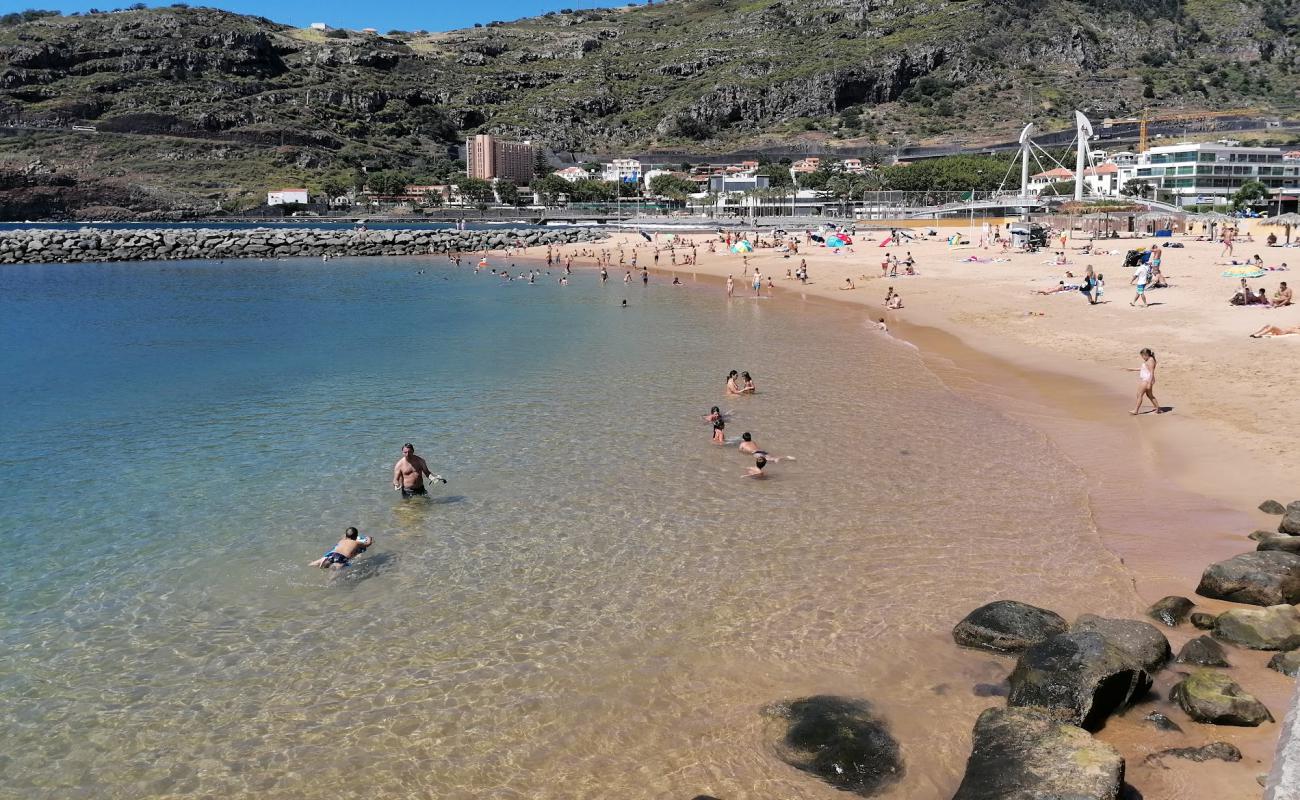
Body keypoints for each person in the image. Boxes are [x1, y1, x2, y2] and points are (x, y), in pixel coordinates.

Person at [308, 527, 373, 570]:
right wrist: (369, 538)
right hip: (341, 558)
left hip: (332, 554)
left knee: (316, 563)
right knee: (332, 577)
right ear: (356, 536)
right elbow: (368, 544)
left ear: (346, 536)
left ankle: (310, 564)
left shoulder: (341, 540)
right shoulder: (356, 543)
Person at [1128, 348, 1163, 415]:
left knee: (1139, 394)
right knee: (1150, 395)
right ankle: (1158, 409)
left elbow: (1151, 372)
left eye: (1142, 356)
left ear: (1146, 354)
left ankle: (1136, 410)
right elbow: (1144, 369)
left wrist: (1149, 383)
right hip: (1147, 380)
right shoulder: (1149, 360)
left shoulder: (1150, 360)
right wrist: (1132, 369)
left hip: (1147, 380)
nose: (1142, 358)